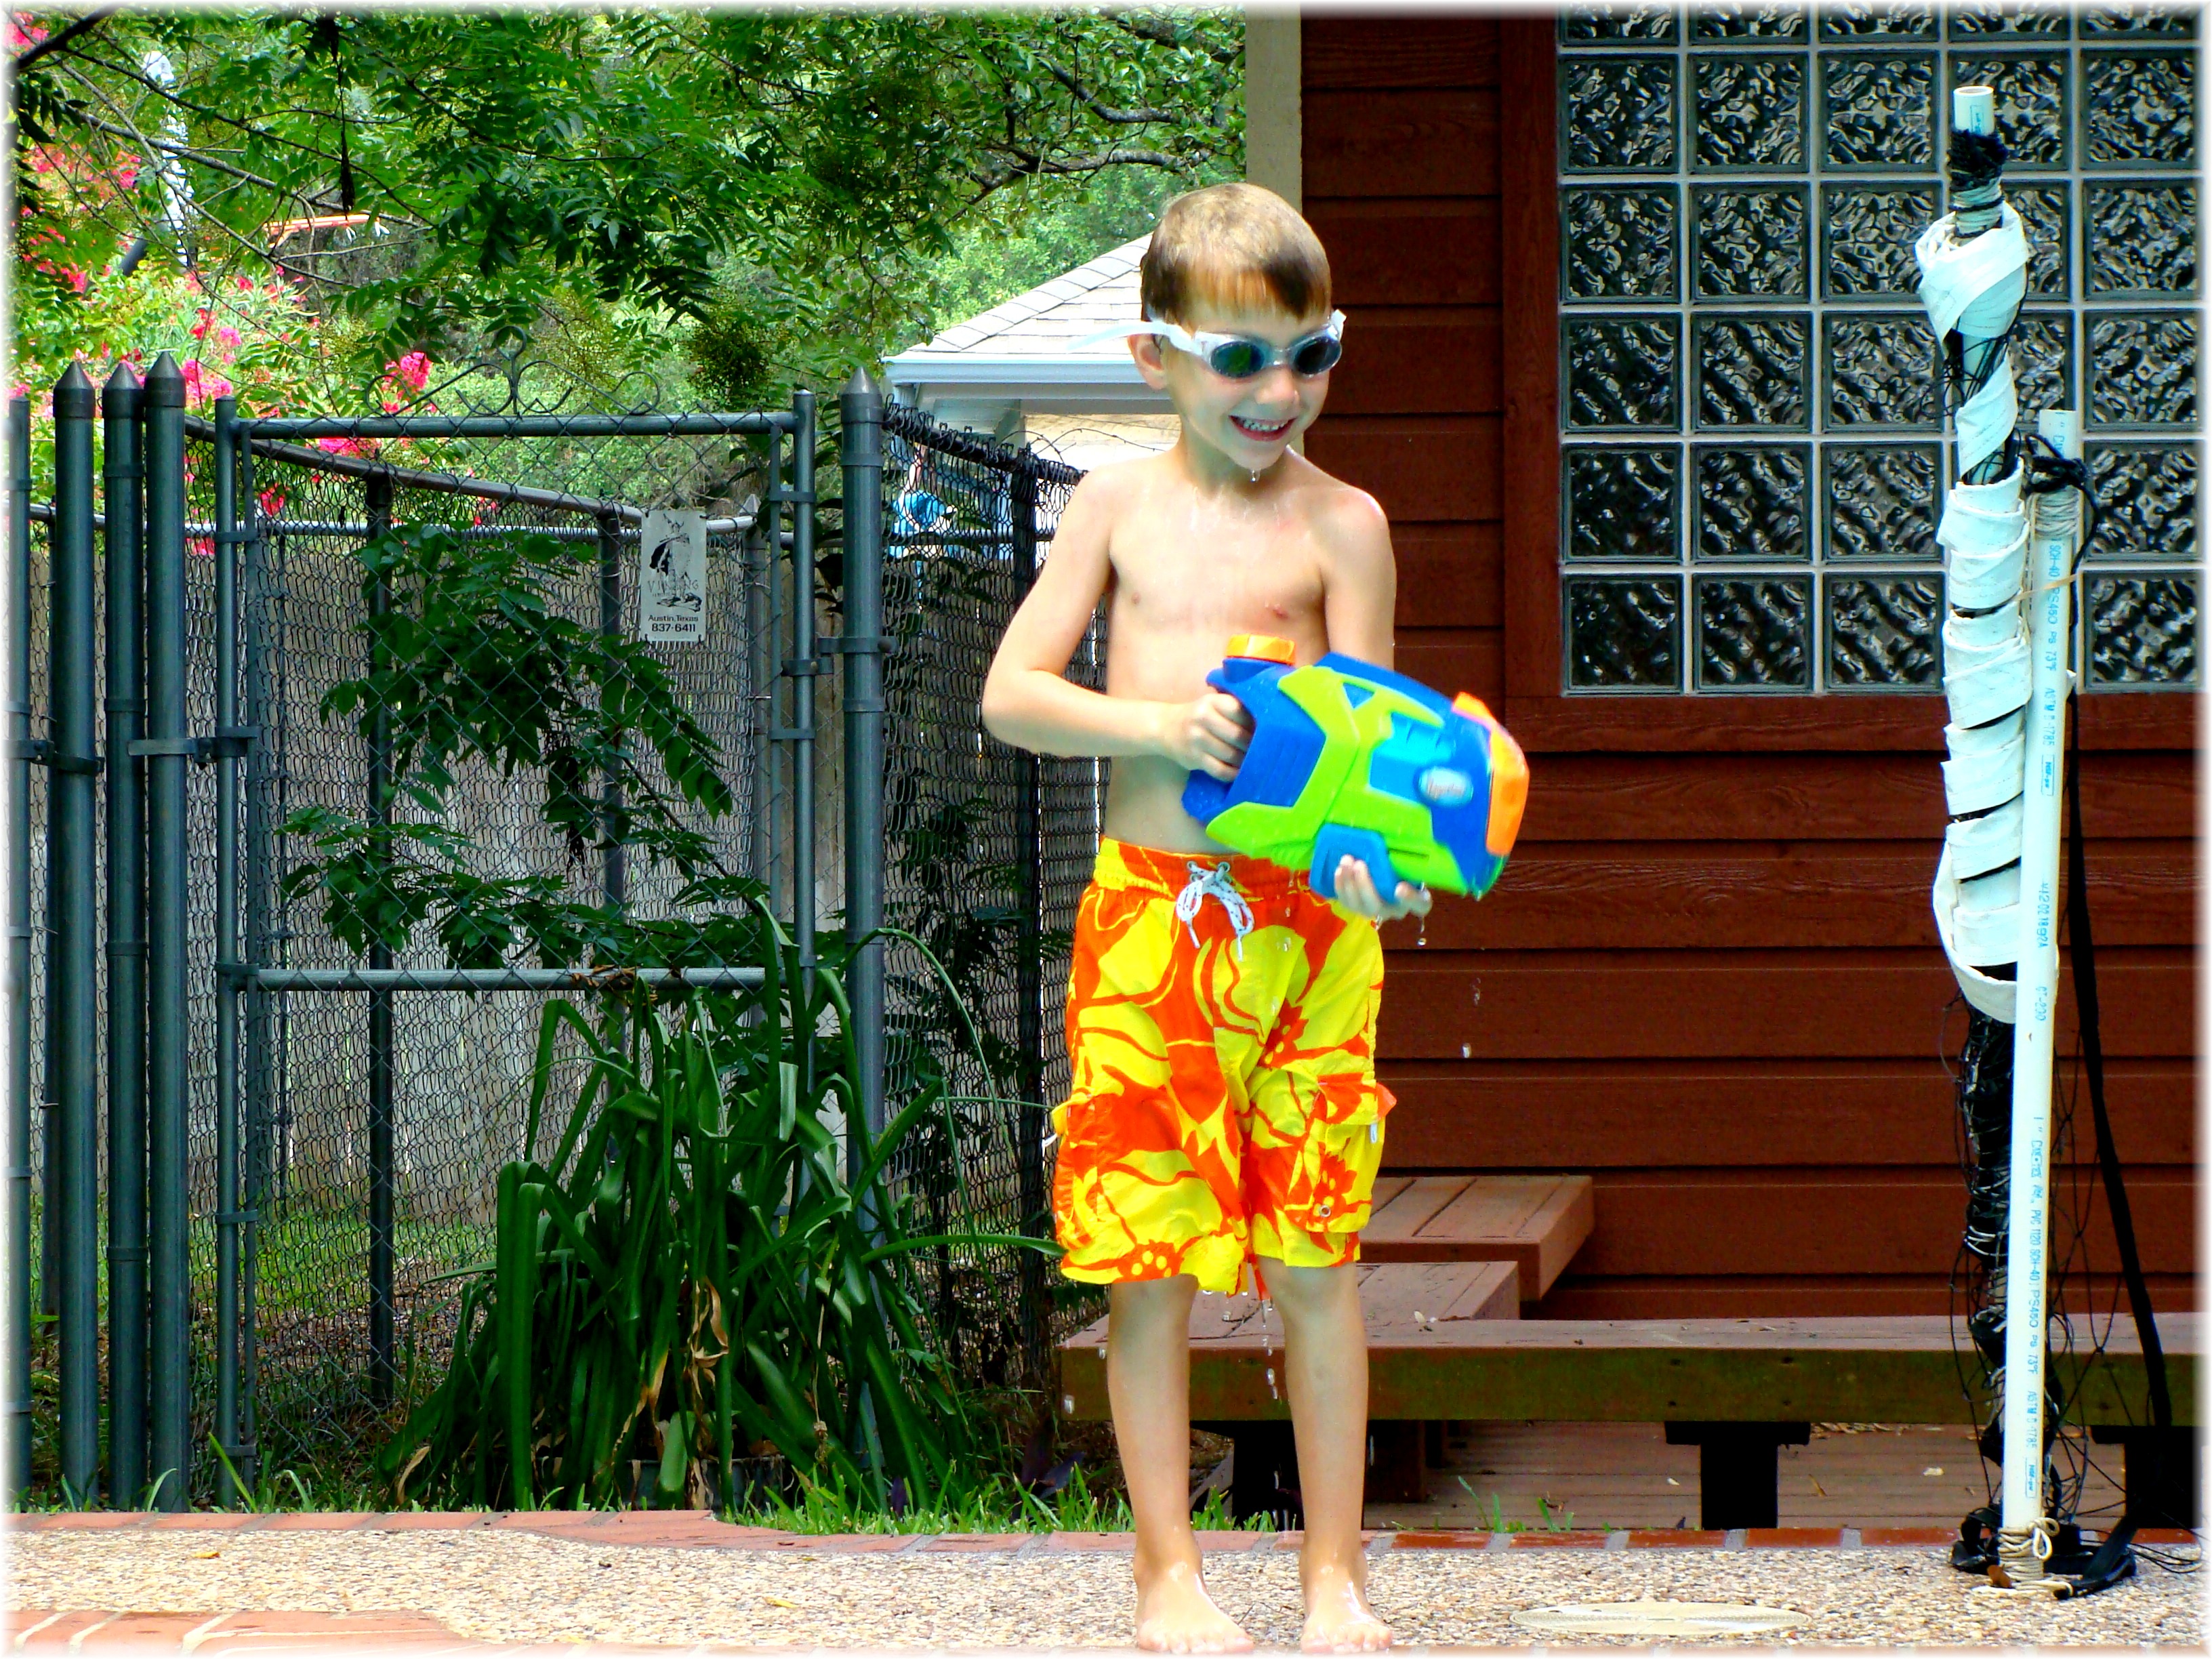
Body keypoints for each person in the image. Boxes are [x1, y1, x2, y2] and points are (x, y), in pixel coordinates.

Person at [981, 182, 1427, 1656]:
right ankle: (1167, 1577)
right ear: (1153, 358)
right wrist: (1161, 727)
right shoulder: (1115, 509)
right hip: (1153, 930)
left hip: (1309, 942)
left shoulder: (1346, 527)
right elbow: (1014, 695)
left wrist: (1378, 867)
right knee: (1149, 1265)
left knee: (1318, 1263)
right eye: (1240, 359)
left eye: (1312, 355)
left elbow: (1370, 759)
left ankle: (1333, 1580)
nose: (1278, 391)